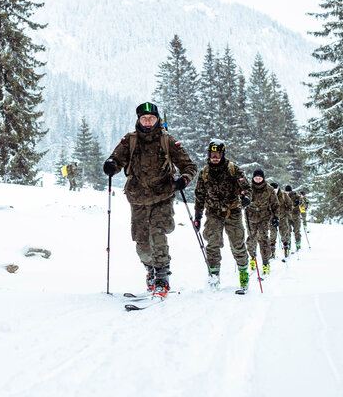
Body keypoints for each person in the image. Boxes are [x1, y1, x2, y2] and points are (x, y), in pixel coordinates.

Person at [103, 102, 197, 298]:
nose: (147, 122)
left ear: (157, 120)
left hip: (163, 195)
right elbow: (116, 159)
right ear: (138, 119)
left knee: (158, 233)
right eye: (144, 118)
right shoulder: (130, 140)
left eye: (151, 118)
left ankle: (162, 278)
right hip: (137, 197)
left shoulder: (167, 140)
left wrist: (184, 179)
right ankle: (150, 270)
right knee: (142, 242)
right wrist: (112, 165)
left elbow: (189, 166)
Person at [193, 139, 252, 292]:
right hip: (213, 213)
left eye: (218, 154)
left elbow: (245, 187)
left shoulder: (233, 169)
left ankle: (243, 273)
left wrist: (246, 197)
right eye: (212, 154)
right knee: (212, 245)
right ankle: (214, 276)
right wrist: (198, 216)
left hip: (233, 212)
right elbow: (199, 195)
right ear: (209, 154)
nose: (215, 157)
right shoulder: (204, 172)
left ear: (222, 154)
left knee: (237, 243)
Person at [245, 169, 279, 276]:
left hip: (264, 217)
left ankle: (265, 262)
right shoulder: (248, 189)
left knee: (264, 239)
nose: (258, 180)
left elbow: (275, 204)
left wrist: (275, 217)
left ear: (263, 178)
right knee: (251, 238)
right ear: (253, 178)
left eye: (260, 178)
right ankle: (252, 257)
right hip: (250, 216)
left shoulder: (269, 189)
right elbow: (241, 200)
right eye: (256, 178)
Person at [269, 182, 293, 259]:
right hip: (272, 218)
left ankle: (286, 249)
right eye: (272, 189)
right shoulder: (268, 195)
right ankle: (272, 252)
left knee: (284, 234)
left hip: (282, 218)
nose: (274, 191)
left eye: (275, 189)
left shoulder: (283, 195)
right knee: (272, 235)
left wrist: (287, 212)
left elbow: (290, 204)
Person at [285, 185, 302, 251]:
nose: (288, 193)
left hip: (296, 216)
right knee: (288, 231)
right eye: (286, 191)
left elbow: (301, 201)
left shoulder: (296, 196)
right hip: (288, 216)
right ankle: (288, 243)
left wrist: (299, 202)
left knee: (296, 231)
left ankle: (298, 244)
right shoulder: (284, 196)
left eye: (289, 191)